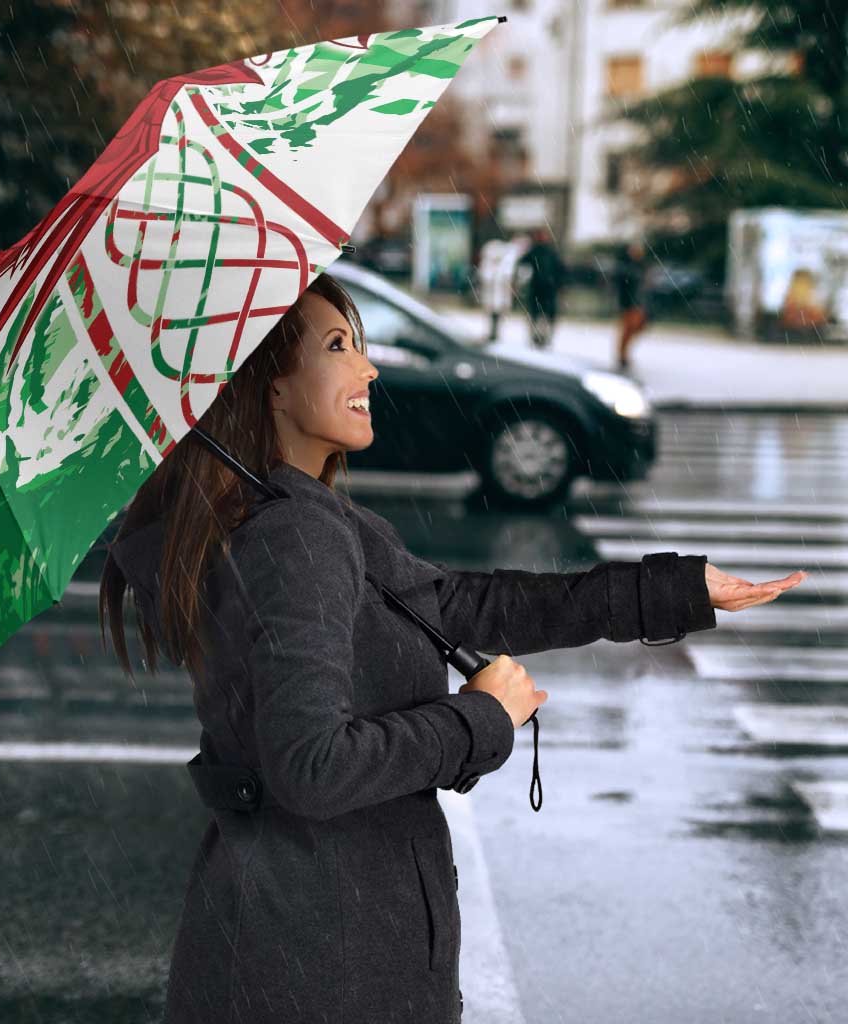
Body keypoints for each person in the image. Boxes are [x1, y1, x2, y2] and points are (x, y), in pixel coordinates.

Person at [100, 272, 804, 1024]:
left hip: (308, 943)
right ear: (270, 387)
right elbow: (311, 767)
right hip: (320, 963)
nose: (368, 368)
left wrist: (674, 590)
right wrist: (478, 719)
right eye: (339, 347)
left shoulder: (303, 519)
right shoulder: (293, 536)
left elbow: (467, 605)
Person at [516, 226, 566, 349]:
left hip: (547, 288)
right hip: (539, 288)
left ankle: (543, 337)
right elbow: (522, 264)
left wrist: (559, 284)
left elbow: (560, 270)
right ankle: (537, 337)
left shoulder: (549, 252)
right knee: (537, 314)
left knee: (544, 315)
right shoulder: (536, 251)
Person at [614, 239, 650, 371]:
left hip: (638, 303)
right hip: (629, 303)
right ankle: (622, 355)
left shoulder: (641, 266)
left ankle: (624, 354)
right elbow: (623, 286)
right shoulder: (626, 267)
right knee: (628, 329)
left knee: (636, 328)